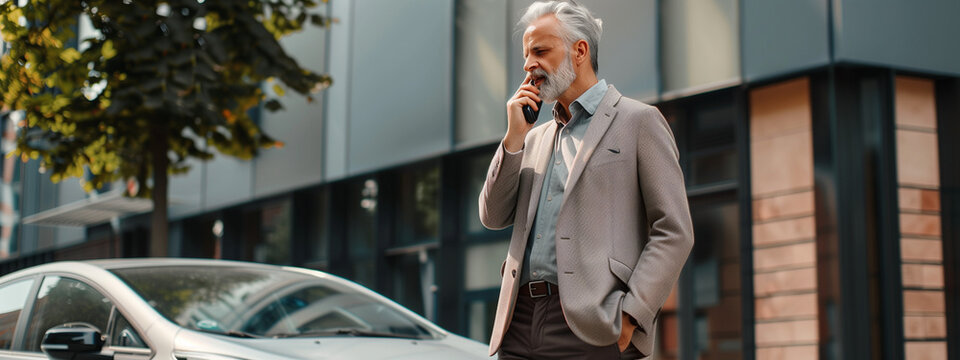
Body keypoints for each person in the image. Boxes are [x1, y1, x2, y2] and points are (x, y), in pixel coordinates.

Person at [478, 1, 694, 359]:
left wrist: (633, 313)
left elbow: (674, 230)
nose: (528, 64)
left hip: (591, 325)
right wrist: (513, 139)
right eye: (526, 55)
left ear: (580, 50)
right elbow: (492, 215)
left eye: (541, 51)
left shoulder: (639, 121)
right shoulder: (532, 137)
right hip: (517, 323)